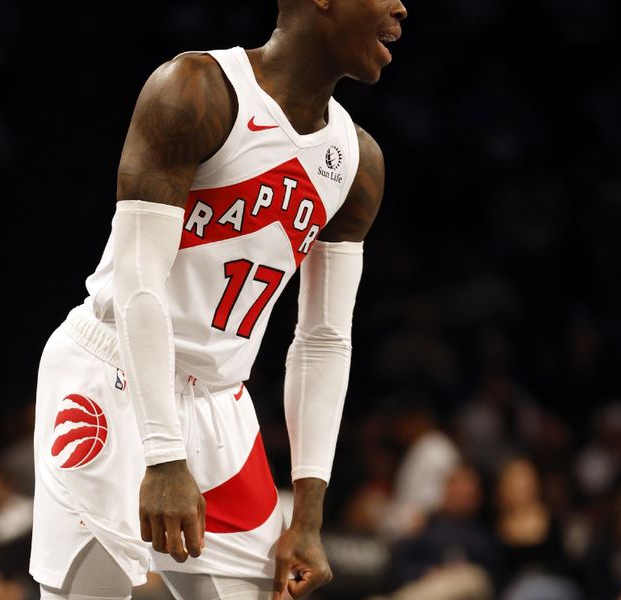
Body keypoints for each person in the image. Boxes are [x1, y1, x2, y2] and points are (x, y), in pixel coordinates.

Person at [30, 1, 409, 599]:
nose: (401, 7)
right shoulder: (195, 90)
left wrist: (307, 517)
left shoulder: (358, 163)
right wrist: (162, 455)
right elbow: (138, 280)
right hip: (112, 375)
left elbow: (323, 340)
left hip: (220, 402)